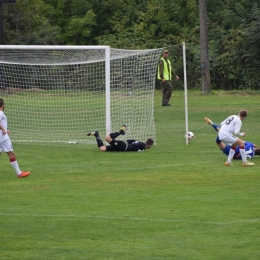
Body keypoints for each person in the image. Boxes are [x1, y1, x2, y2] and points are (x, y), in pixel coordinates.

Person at [0, 98, 30, 178]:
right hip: (3, 138)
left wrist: (5, 129)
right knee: (11, 154)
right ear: (3, 105)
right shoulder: (1, 113)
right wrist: (3, 130)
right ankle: (19, 173)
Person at [87, 125, 154, 152]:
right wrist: (137, 148)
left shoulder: (140, 143)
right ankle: (120, 131)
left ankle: (96, 135)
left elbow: (130, 141)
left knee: (101, 149)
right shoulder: (143, 145)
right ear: (150, 145)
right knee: (107, 138)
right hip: (122, 146)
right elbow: (137, 145)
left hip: (120, 148)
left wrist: (133, 145)